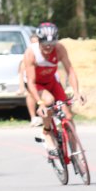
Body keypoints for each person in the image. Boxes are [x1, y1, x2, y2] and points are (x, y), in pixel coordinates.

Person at [23, 22, 85, 154]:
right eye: (45, 44)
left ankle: (75, 154)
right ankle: (46, 131)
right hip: (36, 84)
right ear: (39, 41)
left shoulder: (60, 49)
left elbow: (70, 70)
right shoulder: (31, 53)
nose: (48, 47)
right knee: (49, 101)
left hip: (52, 82)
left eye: (51, 44)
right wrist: (40, 103)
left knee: (68, 116)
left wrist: (76, 92)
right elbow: (31, 82)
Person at [18, 33, 40, 126]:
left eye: (37, 42)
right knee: (30, 95)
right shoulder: (28, 53)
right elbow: (21, 71)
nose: (35, 45)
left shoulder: (45, 52)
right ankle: (33, 117)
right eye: (33, 43)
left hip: (42, 78)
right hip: (30, 79)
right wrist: (21, 86)